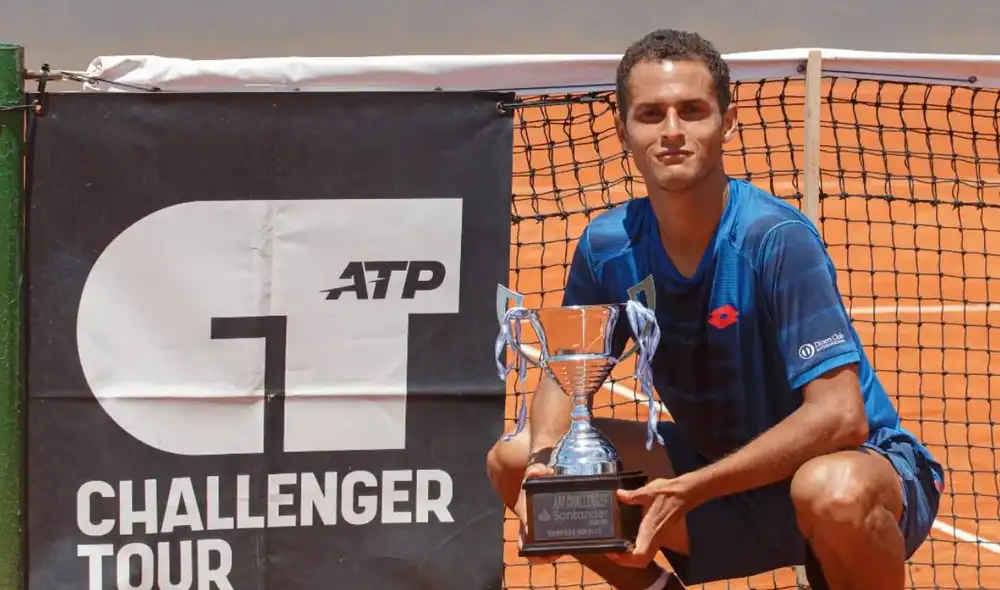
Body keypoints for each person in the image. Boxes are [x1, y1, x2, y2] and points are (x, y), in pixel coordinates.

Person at [486, 28, 944, 590]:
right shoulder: (607, 245)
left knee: (833, 490)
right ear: (623, 128)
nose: (672, 131)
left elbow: (841, 416)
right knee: (513, 459)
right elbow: (566, 374)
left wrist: (693, 488)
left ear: (727, 123)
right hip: (712, 469)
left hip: (851, 472)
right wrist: (545, 463)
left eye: (692, 111)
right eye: (651, 114)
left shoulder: (774, 239)